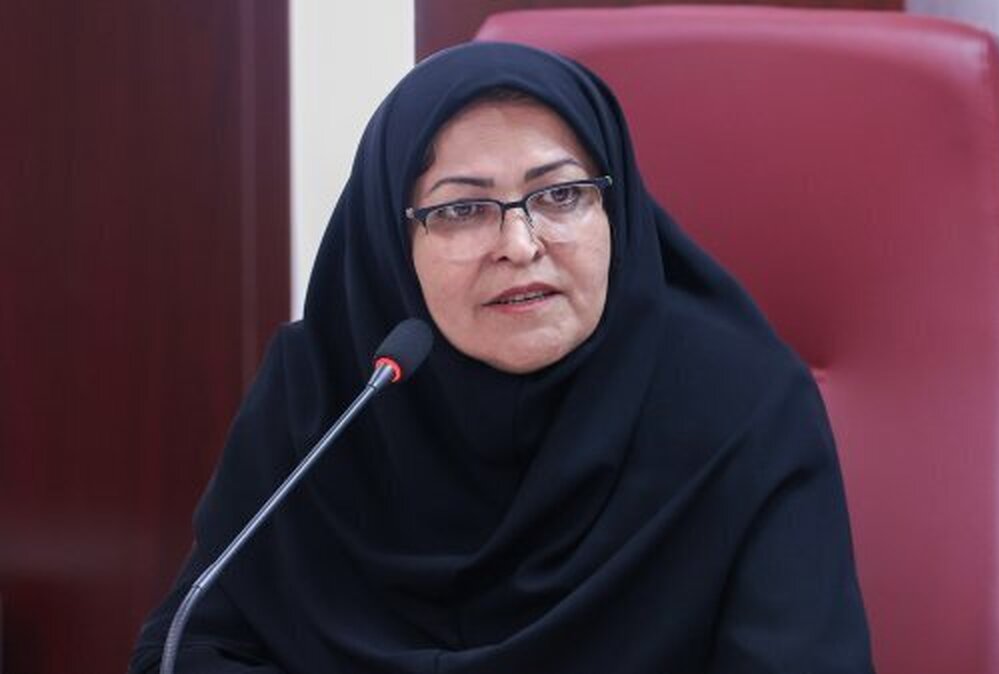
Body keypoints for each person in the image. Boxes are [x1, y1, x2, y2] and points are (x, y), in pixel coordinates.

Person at [129, 41, 875, 673]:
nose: (520, 245)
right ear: (393, 242)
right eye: (462, 209)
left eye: (561, 196)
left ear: (615, 208)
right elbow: (192, 646)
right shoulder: (328, 394)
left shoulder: (745, 410)